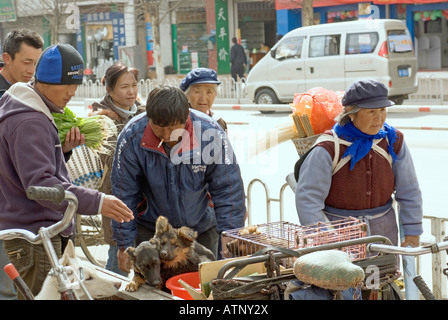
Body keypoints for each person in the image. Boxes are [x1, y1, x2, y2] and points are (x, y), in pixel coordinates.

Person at [0, 44, 134, 298]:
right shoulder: (29, 120)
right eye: (67, 85)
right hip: (36, 238)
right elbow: (40, 185)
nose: (72, 92)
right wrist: (98, 201)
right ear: (47, 81)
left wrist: (61, 152)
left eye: (76, 85)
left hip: (35, 233)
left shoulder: (26, 108)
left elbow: (24, 172)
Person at [111, 86, 246, 273]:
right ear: (149, 119)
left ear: (186, 118)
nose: (167, 137)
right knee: (153, 288)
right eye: (159, 131)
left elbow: (228, 190)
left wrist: (230, 236)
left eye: (173, 129)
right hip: (152, 232)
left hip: (200, 229)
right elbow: (124, 194)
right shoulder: (131, 137)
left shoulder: (210, 134)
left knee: (205, 285)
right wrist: (124, 244)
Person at [295, 80, 422, 248]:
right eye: (371, 111)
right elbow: (308, 200)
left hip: (384, 234)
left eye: (382, 110)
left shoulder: (393, 141)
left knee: (387, 274)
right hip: (339, 236)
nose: (379, 118)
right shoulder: (328, 148)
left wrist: (413, 232)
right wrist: (326, 241)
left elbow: (409, 190)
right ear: (351, 113)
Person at [89, 61, 146, 276]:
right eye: (124, 87)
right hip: (118, 193)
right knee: (118, 259)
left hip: (145, 197)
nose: (131, 91)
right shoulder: (101, 119)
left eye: (134, 85)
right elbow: (111, 159)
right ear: (109, 89)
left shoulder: (143, 112)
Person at [0, 28, 44, 301]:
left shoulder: (30, 96)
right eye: (26, 62)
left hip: (19, 203)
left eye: (35, 63)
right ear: (6, 58)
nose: (32, 70)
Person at [180, 67, 227, 131]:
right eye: (197, 92)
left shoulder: (219, 123)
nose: (203, 98)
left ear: (215, 94)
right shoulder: (178, 122)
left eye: (209, 92)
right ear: (187, 95)